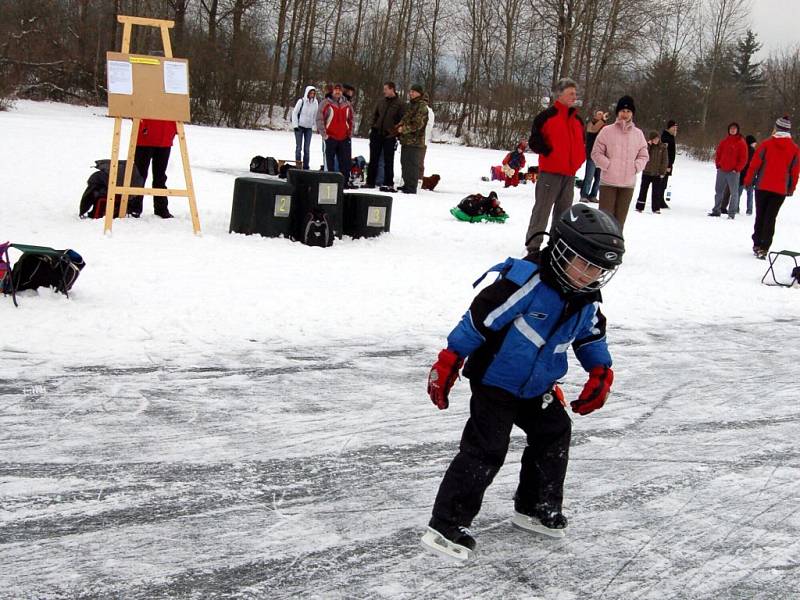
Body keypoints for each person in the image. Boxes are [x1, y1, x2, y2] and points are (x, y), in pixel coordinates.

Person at [421, 204, 624, 561]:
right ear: (561, 252)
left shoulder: (586, 301)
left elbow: (592, 338)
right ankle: (446, 523)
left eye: (599, 270)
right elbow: (478, 321)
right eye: (586, 264)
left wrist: (600, 372)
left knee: (554, 433)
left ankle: (535, 505)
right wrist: (450, 359)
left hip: (537, 387)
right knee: (486, 449)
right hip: (495, 383)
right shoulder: (526, 282)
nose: (591, 275)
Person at [524, 78, 586, 260]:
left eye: (575, 93)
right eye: (571, 93)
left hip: (570, 173)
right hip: (550, 173)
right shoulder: (546, 117)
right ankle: (533, 246)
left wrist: (579, 159)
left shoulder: (577, 120)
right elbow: (534, 141)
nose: (574, 96)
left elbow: (581, 143)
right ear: (560, 94)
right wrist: (549, 151)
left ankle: (557, 244)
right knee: (542, 210)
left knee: (564, 212)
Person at [743, 116, 799, 259]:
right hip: (780, 189)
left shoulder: (766, 144)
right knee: (770, 218)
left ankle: (757, 242)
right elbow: (795, 171)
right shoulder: (794, 149)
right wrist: (791, 188)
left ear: (776, 128)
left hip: (762, 186)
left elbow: (755, 164)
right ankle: (764, 246)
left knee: (760, 215)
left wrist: (748, 180)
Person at [590, 95, 648, 230]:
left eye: (628, 111)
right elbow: (596, 153)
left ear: (632, 113)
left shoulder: (638, 134)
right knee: (604, 222)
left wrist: (635, 167)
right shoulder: (607, 131)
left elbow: (644, 155)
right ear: (617, 112)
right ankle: (601, 248)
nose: (625, 114)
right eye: (622, 111)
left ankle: (615, 249)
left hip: (627, 185)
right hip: (608, 183)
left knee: (619, 223)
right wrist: (608, 165)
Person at [133, 118, 178, 218]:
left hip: (164, 137)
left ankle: (161, 208)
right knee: (139, 175)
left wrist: (174, 128)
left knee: (160, 176)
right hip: (145, 137)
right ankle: (134, 207)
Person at [366, 81, 404, 191]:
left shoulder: (400, 104)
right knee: (373, 159)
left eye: (386, 89)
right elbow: (375, 115)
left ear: (392, 89)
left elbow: (402, 120)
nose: (384, 91)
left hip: (389, 136)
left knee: (388, 160)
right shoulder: (381, 102)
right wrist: (373, 127)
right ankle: (370, 182)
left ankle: (388, 182)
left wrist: (395, 132)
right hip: (377, 133)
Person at [316, 83, 353, 184]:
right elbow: (319, 119)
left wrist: (349, 134)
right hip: (330, 137)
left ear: (342, 92)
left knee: (344, 163)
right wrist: (324, 134)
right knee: (329, 163)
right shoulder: (325, 103)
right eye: (336, 90)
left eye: (339, 90)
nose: (337, 92)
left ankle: (344, 183)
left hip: (344, 138)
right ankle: (329, 183)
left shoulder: (347, 104)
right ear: (332, 91)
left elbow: (351, 120)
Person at [708, 122, 747, 218]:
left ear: (737, 130)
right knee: (718, 191)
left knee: (734, 193)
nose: (732, 130)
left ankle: (731, 213)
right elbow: (718, 153)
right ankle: (716, 210)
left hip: (733, 172)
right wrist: (718, 165)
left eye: (734, 129)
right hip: (722, 170)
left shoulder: (741, 143)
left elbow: (744, 158)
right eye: (731, 129)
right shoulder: (724, 141)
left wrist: (737, 169)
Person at [396, 84, 429, 194]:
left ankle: (411, 187)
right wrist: (397, 126)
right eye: (410, 91)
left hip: (415, 142)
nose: (411, 93)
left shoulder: (422, 106)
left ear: (419, 93)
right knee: (404, 163)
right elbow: (405, 119)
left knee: (412, 164)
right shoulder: (411, 105)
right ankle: (406, 184)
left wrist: (403, 129)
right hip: (406, 140)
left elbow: (418, 124)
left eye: (413, 91)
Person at [635, 130, 669, 214]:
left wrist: (662, 172)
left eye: (657, 138)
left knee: (656, 192)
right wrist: (649, 145)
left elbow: (665, 161)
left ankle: (656, 208)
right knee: (643, 190)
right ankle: (639, 207)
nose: (656, 140)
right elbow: (643, 155)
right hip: (647, 172)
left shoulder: (663, 147)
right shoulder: (646, 146)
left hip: (657, 173)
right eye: (654, 139)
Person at [580, 110, 607, 203]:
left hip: (601, 156)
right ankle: (584, 195)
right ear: (595, 115)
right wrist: (602, 121)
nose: (601, 115)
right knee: (589, 177)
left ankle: (593, 195)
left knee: (599, 178)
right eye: (599, 114)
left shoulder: (604, 127)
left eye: (602, 114)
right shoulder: (590, 124)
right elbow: (593, 129)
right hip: (592, 155)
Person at [291, 85, 318, 170]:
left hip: (308, 128)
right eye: (311, 93)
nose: (312, 95)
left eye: (313, 93)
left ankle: (306, 166)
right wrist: (295, 125)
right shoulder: (301, 101)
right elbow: (294, 113)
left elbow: (315, 115)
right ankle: (298, 166)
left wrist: (315, 126)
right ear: (307, 93)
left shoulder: (315, 103)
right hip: (299, 127)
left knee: (307, 148)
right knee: (299, 147)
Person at [660, 120, 678, 207]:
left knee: (664, 182)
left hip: (668, 163)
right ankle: (659, 200)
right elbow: (666, 153)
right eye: (673, 127)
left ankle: (660, 199)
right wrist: (668, 165)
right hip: (665, 164)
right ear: (669, 127)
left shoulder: (670, 136)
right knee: (662, 182)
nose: (675, 129)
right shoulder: (665, 137)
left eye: (676, 128)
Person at [420, 97, 435, 180]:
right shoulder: (418, 109)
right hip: (414, 141)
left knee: (420, 162)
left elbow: (428, 128)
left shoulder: (430, 112)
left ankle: (419, 179)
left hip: (423, 141)